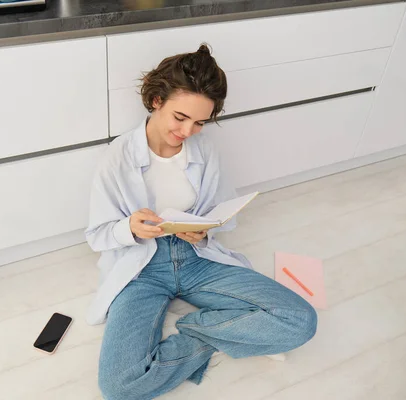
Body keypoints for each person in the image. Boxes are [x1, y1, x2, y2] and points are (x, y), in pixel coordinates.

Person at [84, 44, 317, 400]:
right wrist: (129, 227)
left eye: (199, 122)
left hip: (196, 259)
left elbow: (219, 214)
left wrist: (204, 229)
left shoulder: (205, 151)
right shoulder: (116, 157)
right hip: (141, 268)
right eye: (180, 117)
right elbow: (97, 234)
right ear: (157, 100)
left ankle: (196, 331)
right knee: (120, 386)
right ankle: (230, 336)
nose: (188, 130)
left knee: (301, 320)